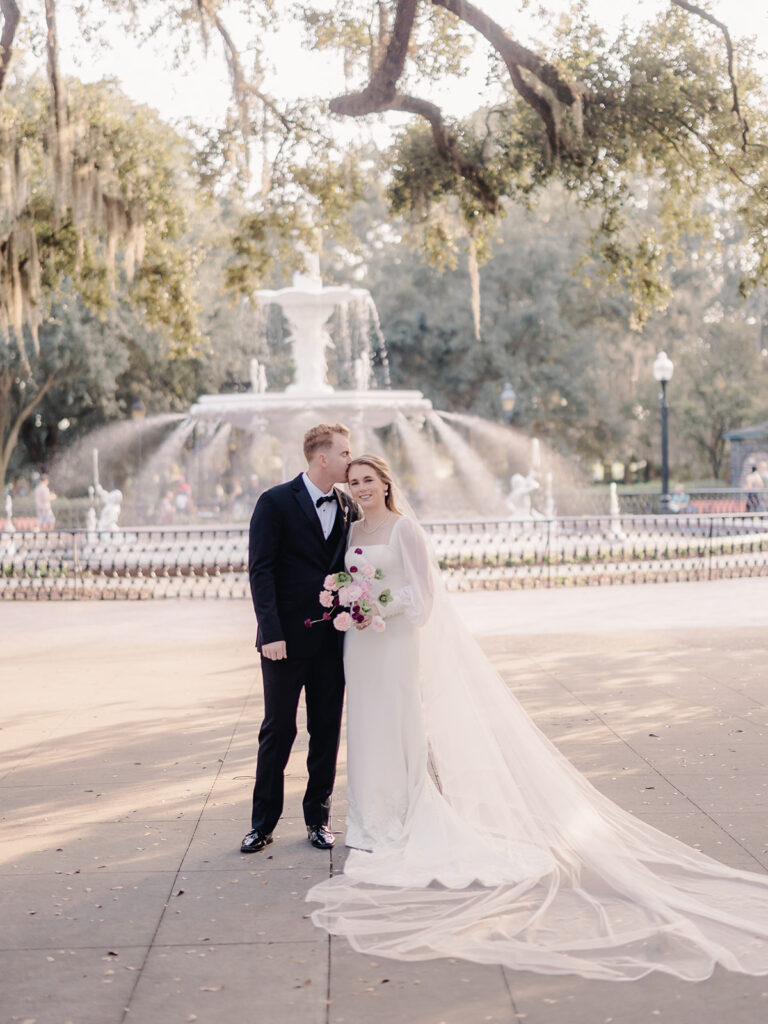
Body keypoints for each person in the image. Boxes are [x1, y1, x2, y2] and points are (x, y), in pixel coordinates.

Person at [308, 455, 768, 981]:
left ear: (386, 483)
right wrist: (352, 601)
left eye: (370, 480)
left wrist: (380, 606)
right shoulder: (353, 528)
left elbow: (426, 597)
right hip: (360, 646)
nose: (362, 488)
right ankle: (370, 821)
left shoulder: (405, 528)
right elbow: (349, 577)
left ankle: (401, 819)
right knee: (365, 730)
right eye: (356, 481)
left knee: (398, 726)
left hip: (392, 644)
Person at [241, 423, 357, 855]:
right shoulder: (274, 502)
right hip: (284, 642)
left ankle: (318, 818)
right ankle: (262, 823)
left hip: (333, 642)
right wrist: (270, 632)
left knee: (325, 731)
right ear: (322, 457)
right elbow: (261, 570)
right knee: (279, 730)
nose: (351, 459)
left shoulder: (349, 506)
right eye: (345, 453)